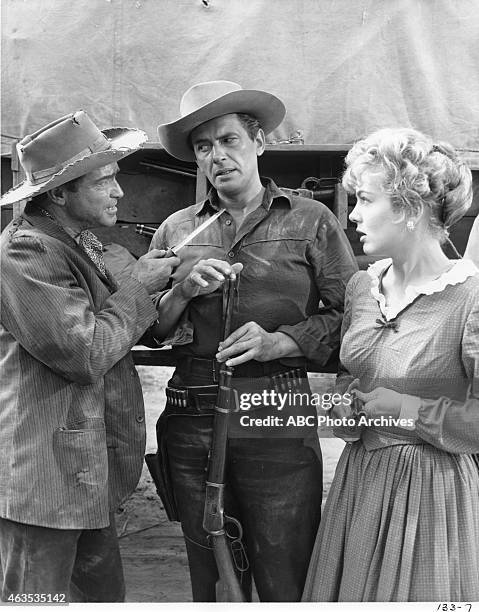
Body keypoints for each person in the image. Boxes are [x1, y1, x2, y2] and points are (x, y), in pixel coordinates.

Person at [148, 80, 357, 601]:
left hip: (275, 405)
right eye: (203, 147)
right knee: (213, 573)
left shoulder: (311, 220)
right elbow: (150, 327)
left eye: (229, 140)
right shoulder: (177, 231)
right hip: (192, 411)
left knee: (287, 566)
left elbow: (354, 314)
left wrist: (282, 342)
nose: (216, 156)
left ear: (259, 142)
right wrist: (180, 291)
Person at [0, 111, 180, 603]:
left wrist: (172, 293)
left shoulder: (79, 243)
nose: (120, 191)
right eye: (105, 181)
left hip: (83, 477)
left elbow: (121, 324)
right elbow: (85, 352)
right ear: (59, 193)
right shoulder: (26, 253)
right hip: (46, 484)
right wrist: (141, 285)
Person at [302, 127, 479, 602]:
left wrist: (401, 407)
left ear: (408, 208)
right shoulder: (363, 287)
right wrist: (345, 407)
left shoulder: (470, 298)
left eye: (364, 200)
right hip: (359, 482)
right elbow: (351, 374)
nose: (353, 216)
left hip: (429, 496)